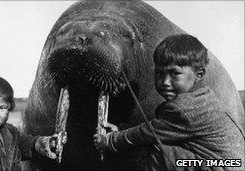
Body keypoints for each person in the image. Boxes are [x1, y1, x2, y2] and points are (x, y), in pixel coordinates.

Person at [94, 34, 244, 170]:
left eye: (175, 73)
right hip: (233, 163)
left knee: (159, 152)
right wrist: (122, 129)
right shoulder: (202, 95)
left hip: (222, 166)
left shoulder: (183, 108)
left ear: (199, 74)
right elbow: (160, 127)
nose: (165, 82)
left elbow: (148, 133)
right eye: (159, 73)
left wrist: (111, 140)